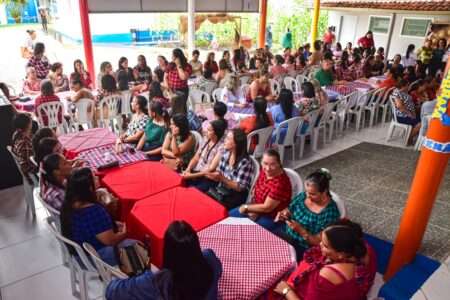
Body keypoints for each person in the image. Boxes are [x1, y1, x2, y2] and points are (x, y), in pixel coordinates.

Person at [106, 220, 222, 300]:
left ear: (167, 250)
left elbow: (111, 291)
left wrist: (133, 280)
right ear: (196, 244)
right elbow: (219, 270)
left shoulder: (157, 281)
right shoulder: (210, 259)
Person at [274, 219, 377, 300]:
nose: (320, 244)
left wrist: (286, 291)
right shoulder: (362, 249)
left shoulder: (327, 274)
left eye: (326, 246)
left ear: (341, 254)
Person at [60, 167, 130, 266]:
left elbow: (94, 227)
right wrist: (124, 234)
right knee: (135, 245)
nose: (97, 177)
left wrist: (112, 224)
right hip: (91, 258)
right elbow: (110, 240)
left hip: (78, 252)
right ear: (88, 187)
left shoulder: (69, 203)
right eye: (94, 178)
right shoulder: (93, 210)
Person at [274, 169, 340, 261]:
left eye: (312, 194)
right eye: (307, 191)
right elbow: (289, 209)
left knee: (279, 260)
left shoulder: (329, 212)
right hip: (287, 234)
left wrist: (301, 230)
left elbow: (319, 243)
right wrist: (284, 213)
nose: (308, 196)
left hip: (305, 246)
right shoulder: (303, 196)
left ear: (324, 192)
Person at [229, 149, 292, 231]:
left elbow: (267, 208)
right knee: (228, 217)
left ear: (279, 163)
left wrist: (247, 207)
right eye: (265, 163)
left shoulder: (280, 184)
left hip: (271, 216)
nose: (268, 168)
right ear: (261, 161)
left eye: (273, 164)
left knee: (245, 231)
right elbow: (257, 185)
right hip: (256, 206)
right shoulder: (265, 171)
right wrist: (254, 207)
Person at [205, 128, 255, 210]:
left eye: (228, 138)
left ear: (236, 143)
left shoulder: (245, 162)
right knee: (204, 198)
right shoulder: (225, 155)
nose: (224, 140)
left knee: (214, 208)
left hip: (236, 195)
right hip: (223, 190)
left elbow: (239, 187)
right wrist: (214, 176)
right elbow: (219, 173)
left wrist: (221, 177)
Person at [184, 120, 227, 192]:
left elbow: (211, 169)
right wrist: (188, 168)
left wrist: (191, 175)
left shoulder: (221, 147)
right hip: (196, 173)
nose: (205, 131)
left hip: (207, 178)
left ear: (216, 132)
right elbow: (196, 158)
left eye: (209, 130)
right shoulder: (205, 139)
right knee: (180, 182)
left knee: (192, 190)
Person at [392, 79, 421, 145]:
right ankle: (409, 138)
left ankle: (407, 135)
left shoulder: (403, 91)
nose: (409, 86)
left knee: (422, 118)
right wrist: (409, 112)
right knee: (420, 124)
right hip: (401, 116)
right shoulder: (397, 93)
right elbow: (399, 106)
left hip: (407, 114)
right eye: (408, 85)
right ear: (403, 86)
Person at [11, 113, 38, 182]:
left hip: (31, 164)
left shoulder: (16, 133)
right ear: (28, 124)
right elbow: (25, 166)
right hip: (32, 173)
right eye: (31, 120)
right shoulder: (24, 143)